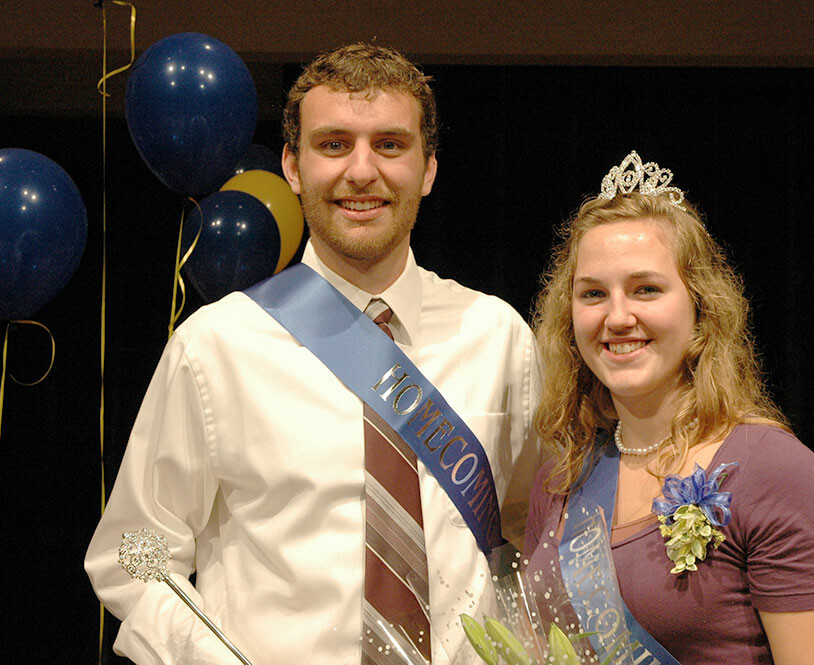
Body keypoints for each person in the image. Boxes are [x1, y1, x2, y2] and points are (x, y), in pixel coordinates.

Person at [86, 43, 540, 665]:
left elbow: (535, 543)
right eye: (333, 145)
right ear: (292, 167)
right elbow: (135, 550)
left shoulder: (497, 336)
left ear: (428, 169)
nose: (361, 171)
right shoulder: (214, 347)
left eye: (389, 144)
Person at [524, 151, 814, 664]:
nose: (618, 317)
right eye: (593, 293)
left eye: (646, 289)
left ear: (702, 308)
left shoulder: (775, 473)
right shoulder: (560, 478)